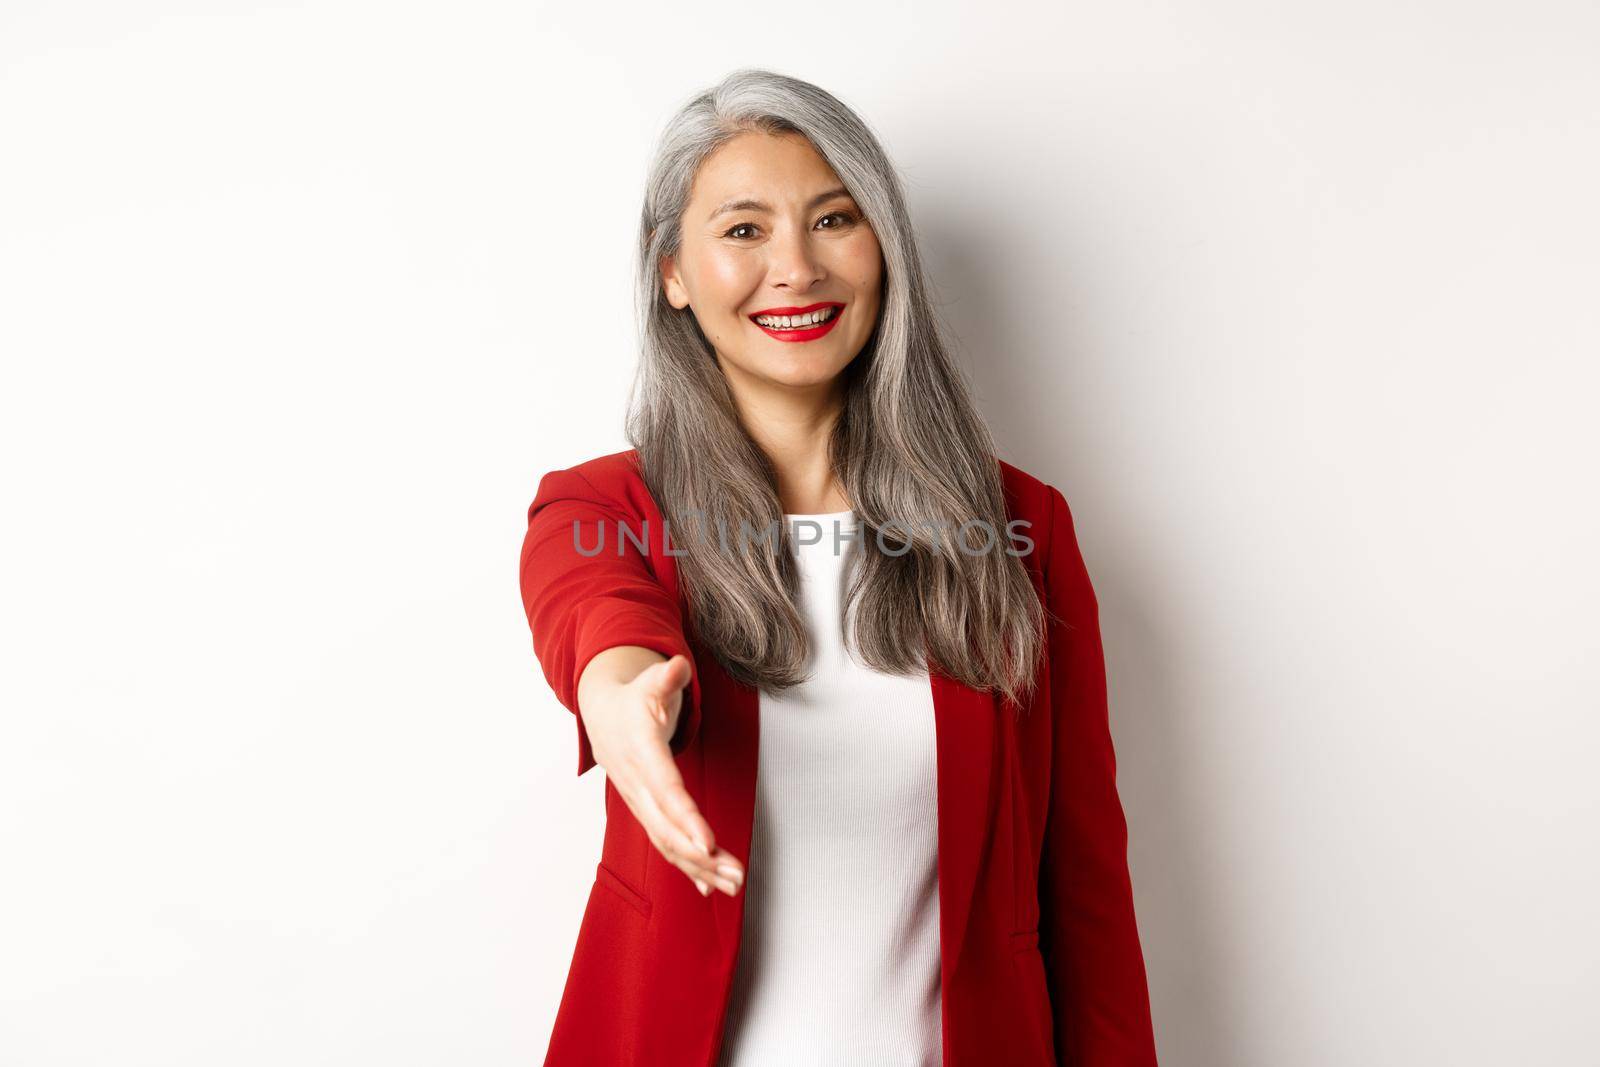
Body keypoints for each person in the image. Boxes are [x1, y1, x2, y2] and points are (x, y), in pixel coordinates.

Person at [519, 68, 1158, 1067]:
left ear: (884, 251)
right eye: (742, 231)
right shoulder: (604, 507)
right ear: (671, 272)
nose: (796, 268)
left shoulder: (1021, 525)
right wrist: (620, 698)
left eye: (833, 219)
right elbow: (595, 616)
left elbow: (1085, 896)